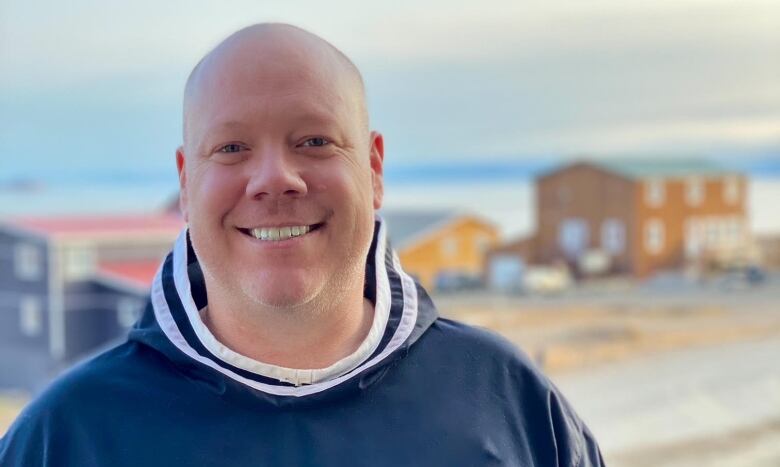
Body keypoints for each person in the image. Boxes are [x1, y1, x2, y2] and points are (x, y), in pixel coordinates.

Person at [0, 24, 605, 466]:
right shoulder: (70, 437)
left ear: (373, 169)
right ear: (186, 183)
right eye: (232, 148)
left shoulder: (507, 402)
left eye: (313, 141)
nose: (274, 179)